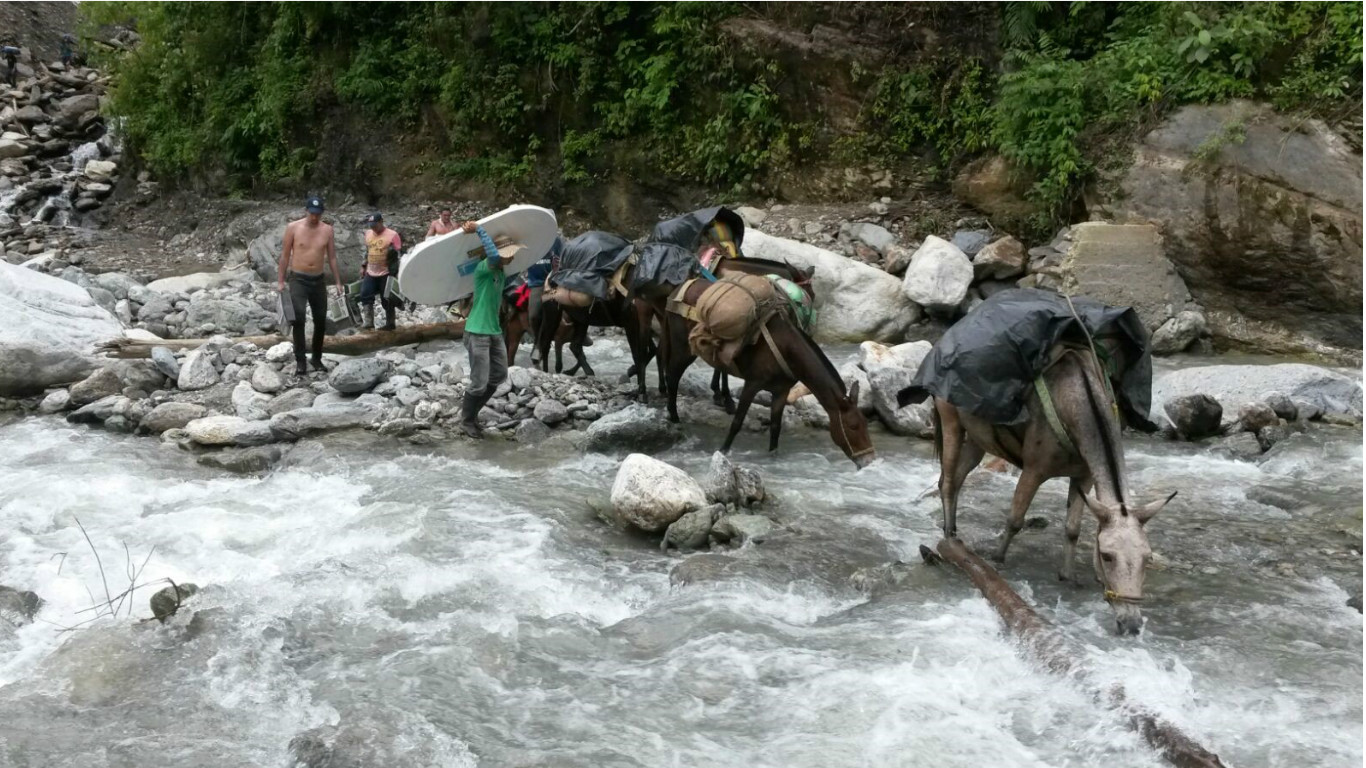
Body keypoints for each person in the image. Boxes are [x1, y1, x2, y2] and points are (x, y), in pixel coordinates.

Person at [458, 219, 514, 438]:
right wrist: (479, 230)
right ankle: (467, 420)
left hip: (494, 332)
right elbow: (492, 255)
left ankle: (473, 414)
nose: (512, 257)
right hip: (477, 332)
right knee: (479, 383)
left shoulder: (501, 274)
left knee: (498, 376)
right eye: (509, 253)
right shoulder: (484, 268)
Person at [277, 196, 343, 375]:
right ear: (306, 211)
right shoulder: (293, 228)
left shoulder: (327, 230)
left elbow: (332, 257)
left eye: (318, 214)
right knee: (298, 318)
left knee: (320, 320)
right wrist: (281, 281)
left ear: (322, 213)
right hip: (298, 278)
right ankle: (300, 359)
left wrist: (338, 282)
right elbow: (284, 255)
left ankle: (316, 357)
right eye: (312, 213)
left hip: (318, 280)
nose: (314, 217)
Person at [522, 235, 562, 364]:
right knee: (533, 315)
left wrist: (558, 266)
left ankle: (580, 335)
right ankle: (537, 342)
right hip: (537, 284)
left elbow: (564, 258)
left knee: (551, 313)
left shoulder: (556, 240)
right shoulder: (528, 239)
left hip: (552, 283)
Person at [359, 211, 401, 331]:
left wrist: (396, 272)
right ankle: (369, 322)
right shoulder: (368, 234)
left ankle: (390, 323)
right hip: (371, 271)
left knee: (387, 297)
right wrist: (363, 266)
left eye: (375, 225)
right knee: (365, 294)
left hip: (386, 272)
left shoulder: (392, 235)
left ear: (381, 222)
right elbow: (367, 251)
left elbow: (398, 254)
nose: (373, 228)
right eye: (371, 225)